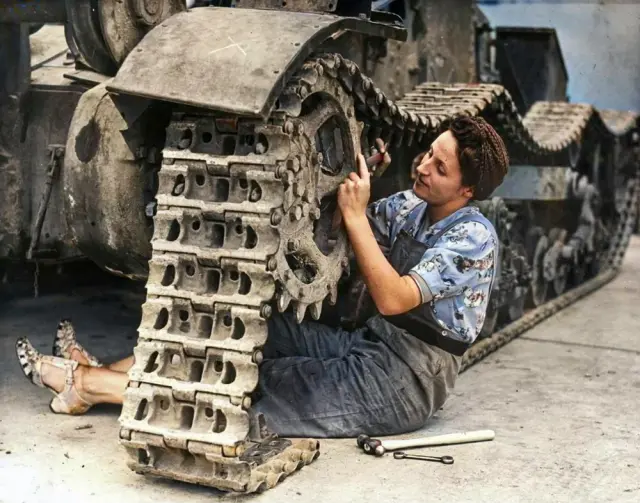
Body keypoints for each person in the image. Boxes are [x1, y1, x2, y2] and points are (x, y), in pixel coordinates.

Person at [15, 115, 509, 437]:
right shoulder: (413, 206)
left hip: (406, 379)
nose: (422, 167)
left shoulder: (473, 238)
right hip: (371, 343)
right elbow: (336, 224)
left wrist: (357, 217)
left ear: (466, 191)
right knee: (251, 332)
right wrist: (342, 185)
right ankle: (124, 366)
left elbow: (394, 298)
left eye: (439, 168)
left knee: (257, 387)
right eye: (426, 154)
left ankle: (91, 384)